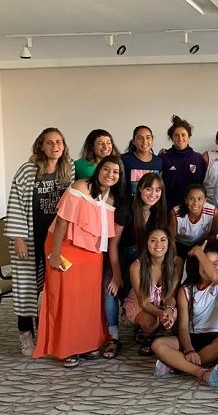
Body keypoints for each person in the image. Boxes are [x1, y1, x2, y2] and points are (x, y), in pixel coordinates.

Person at [33, 156, 124, 367]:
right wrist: (55, 254)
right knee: (67, 299)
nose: (110, 174)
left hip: (92, 251)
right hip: (65, 246)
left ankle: (86, 343)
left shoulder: (111, 198)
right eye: (106, 169)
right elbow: (63, 221)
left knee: (89, 299)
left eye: (116, 172)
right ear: (98, 169)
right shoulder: (80, 186)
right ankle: (66, 348)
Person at [6, 128, 74, 356]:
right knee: (26, 288)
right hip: (28, 237)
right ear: (41, 146)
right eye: (49, 142)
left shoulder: (69, 168)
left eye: (59, 142)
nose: (55, 146)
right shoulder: (27, 171)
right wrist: (18, 238)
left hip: (55, 239)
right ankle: (25, 333)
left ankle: (47, 333)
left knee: (53, 286)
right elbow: (15, 202)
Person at [151, 241, 218, 388]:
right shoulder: (186, 290)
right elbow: (183, 327)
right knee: (158, 344)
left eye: (215, 263)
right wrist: (189, 349)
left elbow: (214, 276)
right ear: (197, 264)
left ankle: (177, 365)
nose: (209, 267)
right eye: (205, 262)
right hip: (193, 337)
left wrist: (198, 252)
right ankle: (200, 372)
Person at [123, 228, 182, 356]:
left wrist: (168, 310)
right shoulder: (136, 266)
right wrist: (160, 313)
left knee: (175, 315)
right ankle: (146, 332)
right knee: (150, 322)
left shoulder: (177, 263)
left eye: (162, 240)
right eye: (153, 240)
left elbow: (172, 296)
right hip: (141, 303)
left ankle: (153, 337)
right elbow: (143, 301)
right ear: (146, 244)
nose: (158, 245)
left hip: (163, 302)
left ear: (168, 243)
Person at [109, 172, 169, 298]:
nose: (153, 194)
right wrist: (116, 274)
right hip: (120, 257)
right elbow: (113, 244)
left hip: (144, 257)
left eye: (157, 190)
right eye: (148, 189)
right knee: (110, 297)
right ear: (140, 188)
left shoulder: (159, 210)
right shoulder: (126, 208)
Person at [159, 115, 206, 210]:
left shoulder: (198, 159)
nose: (180, 138)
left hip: (193, 209)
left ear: (189, 137)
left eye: (183, 135)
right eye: (176, 135)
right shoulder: (163, 157)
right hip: (169, 209)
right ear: (171, 138)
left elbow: (202, 184)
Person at [168, 184, 218, 259]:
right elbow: (172, 239)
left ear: (205, 200)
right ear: (186, 200)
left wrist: (200, 249)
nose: (195, 203)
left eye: (199, 199)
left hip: (201, 245)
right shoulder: (175, 213)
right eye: (191, 198)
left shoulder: (213, 212)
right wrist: (175, 256)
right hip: (180, 245)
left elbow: (212, 235)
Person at [121, 125, 163, 197]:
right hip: (129, 205)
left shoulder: (159, 162)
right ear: (134, 141)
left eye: (148, 137)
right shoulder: (124, 159)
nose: (144, 141)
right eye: (140, 138)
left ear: (152, 140)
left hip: (151, 205)